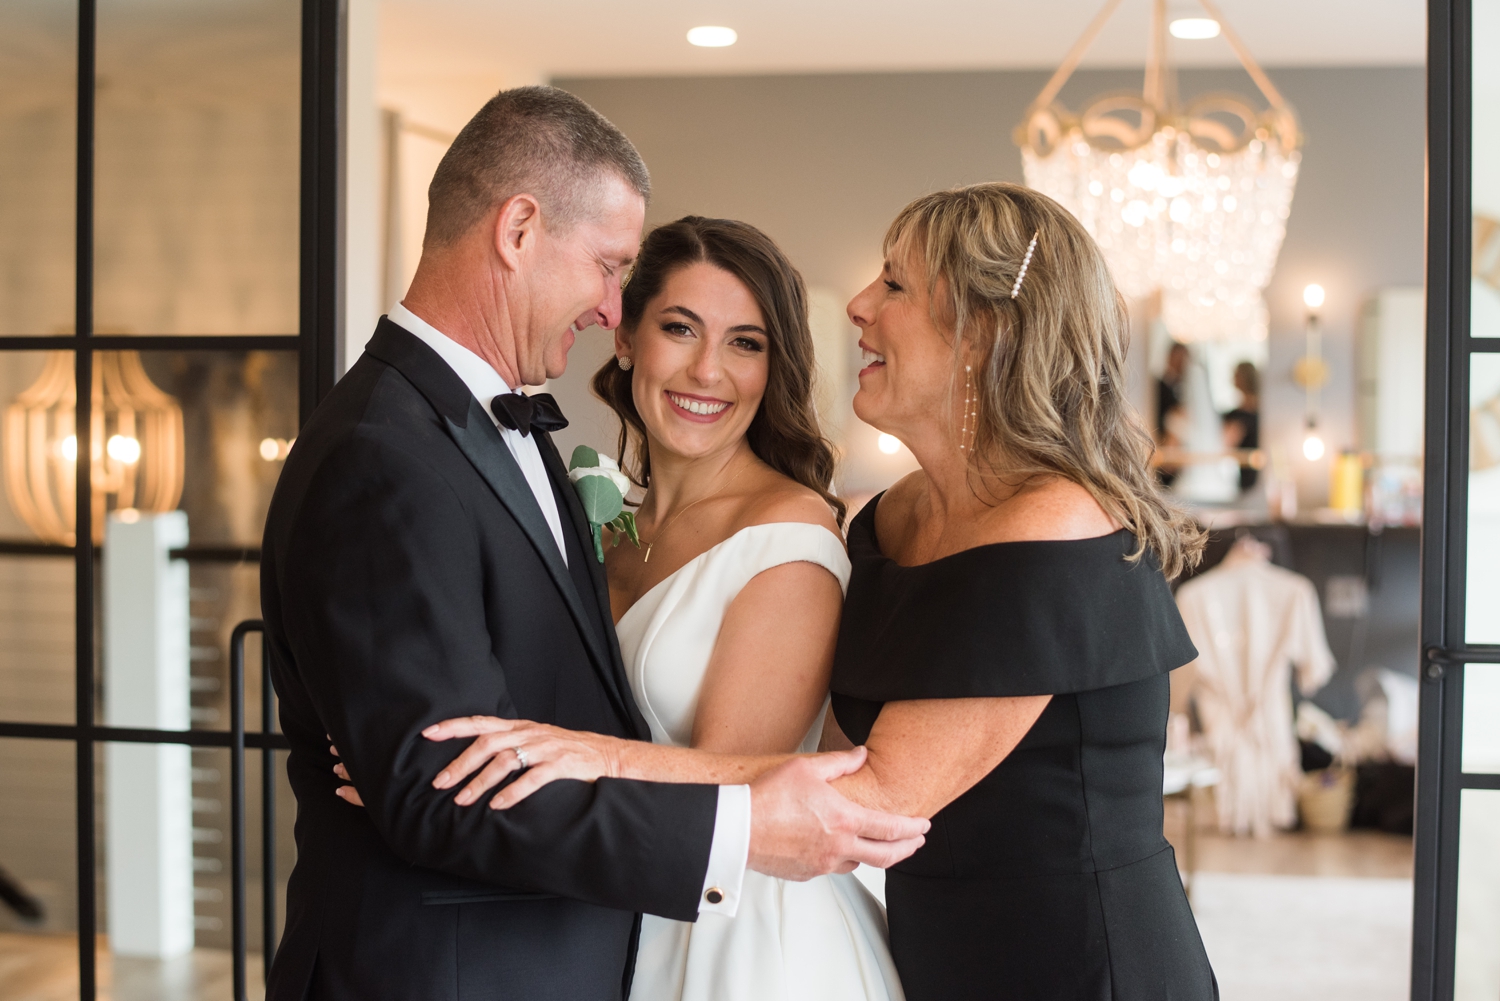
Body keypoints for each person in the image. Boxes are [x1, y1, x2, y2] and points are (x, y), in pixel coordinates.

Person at [396, 184, 1217, 998]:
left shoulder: (1057, 532)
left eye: (895, 283)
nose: (860, 305)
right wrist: (463, 757)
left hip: (1081, 962)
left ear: (984, 332)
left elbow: (868, 800)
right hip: (937, 951)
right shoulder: (890, 521)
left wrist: (564, 757)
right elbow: (811, 752)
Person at [260, 86, 925, 1001]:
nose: (611, 309)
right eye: (612, 270)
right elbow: (437, 783)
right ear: (519, 230)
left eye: (745, 343)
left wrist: (455, 773)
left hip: (691, 944)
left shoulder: (512, 434)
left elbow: (524, 729)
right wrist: (429, 780)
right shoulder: (386, 452)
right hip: (455, 971)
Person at [1223, 360, 1261, 490]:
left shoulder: (1241, 417)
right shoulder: (1238, 413)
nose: (1232, 378)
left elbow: (1226, 443)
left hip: (1249, 477)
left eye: (1236, 374)